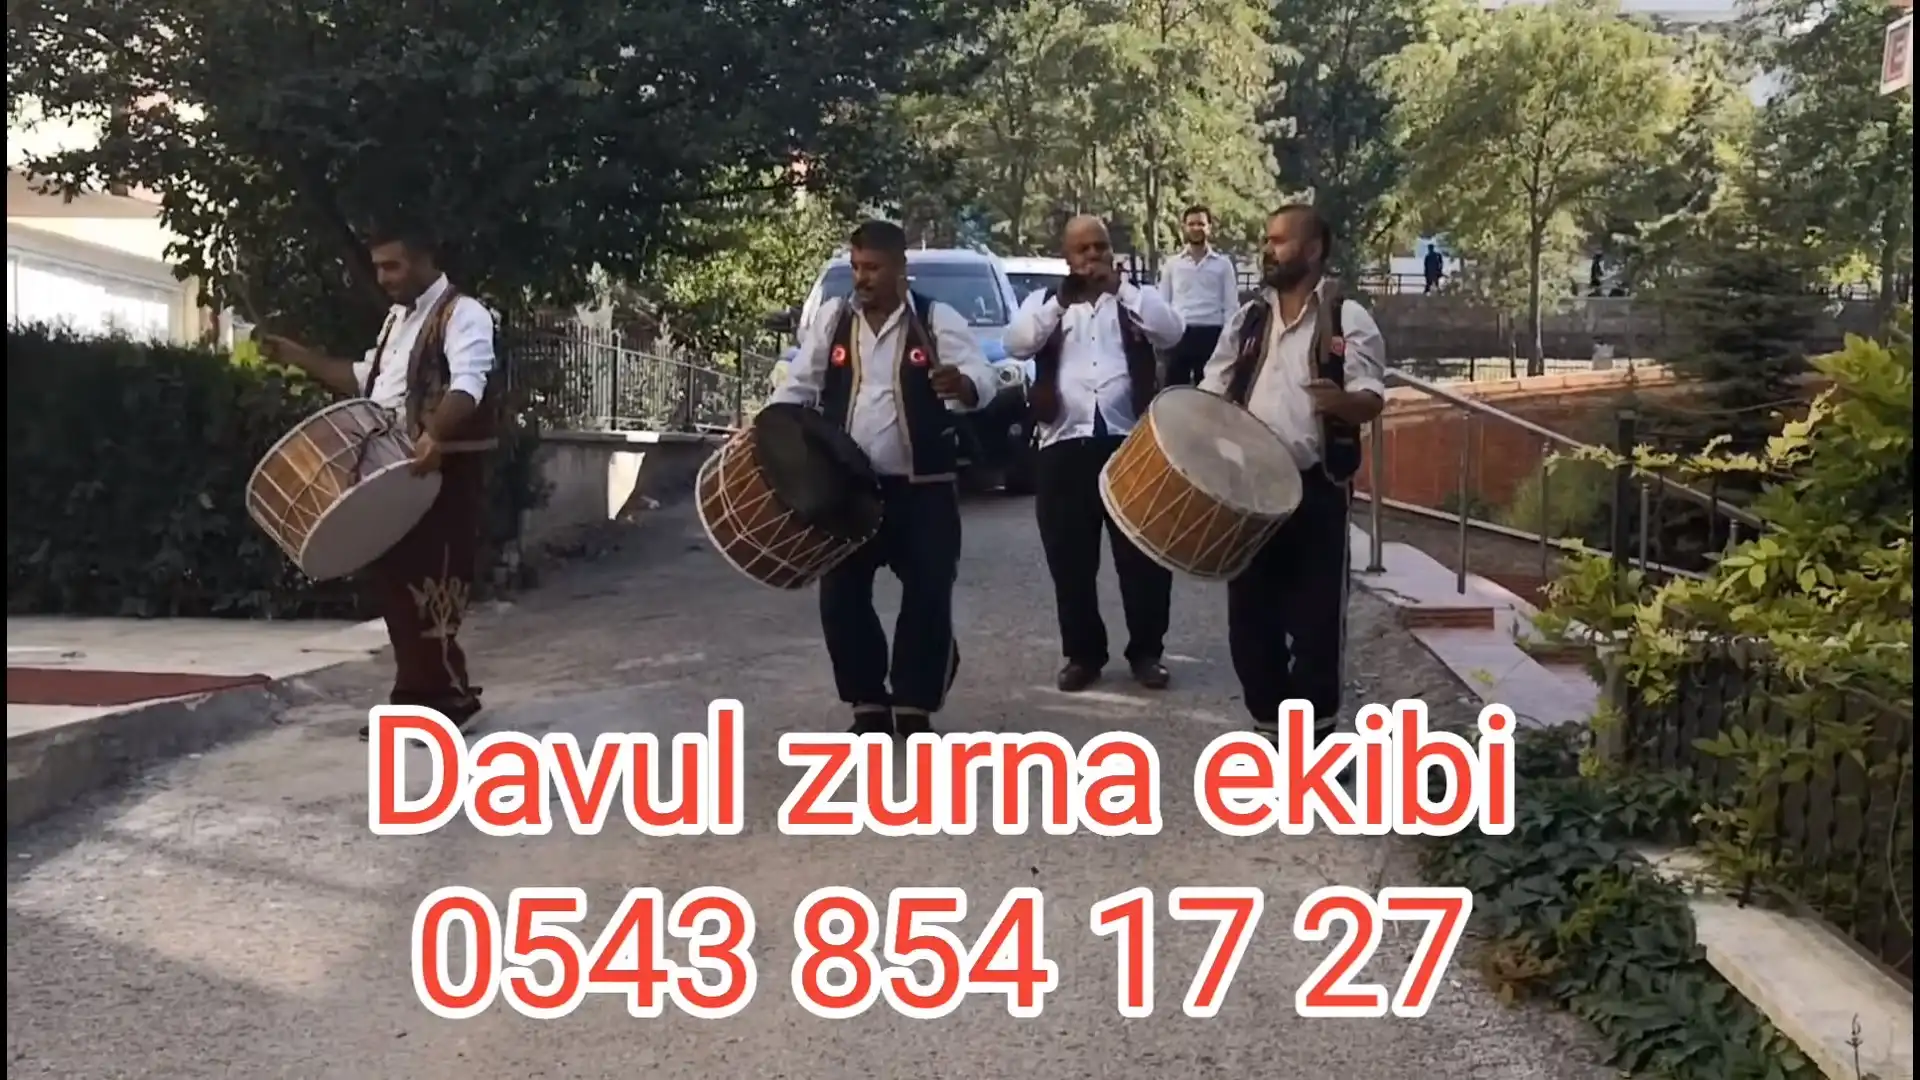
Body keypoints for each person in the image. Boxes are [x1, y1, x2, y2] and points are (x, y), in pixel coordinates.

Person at [259, 222, 499, 740]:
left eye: (393, 265)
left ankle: (444, 704)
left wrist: (435, 435)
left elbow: (468, 385)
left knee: (432, 587)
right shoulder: (397, 320)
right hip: (394, 468)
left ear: (424, 259)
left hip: (443, 470)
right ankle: (423, 701)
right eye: (379, 268)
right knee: (396, 588)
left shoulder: (464, 314)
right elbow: (365, 380)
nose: (384, 277)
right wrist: (299, 357)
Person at [769, 220, 1000, 738]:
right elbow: (799, 386)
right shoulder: (833, 320)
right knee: (842, 596)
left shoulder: (936, 319)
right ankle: (868, 704)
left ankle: (915, 705)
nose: (862, 278)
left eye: (872, 267)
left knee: (928, 593)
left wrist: (962, 384)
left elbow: (982, 378)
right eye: (856, 267)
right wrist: (766, 432)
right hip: (846, 490)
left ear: (900, 269)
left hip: (923, 486)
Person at [1199, 205, 1387, 745]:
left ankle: (1315, 747)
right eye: (1267, 239)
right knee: (1249, 624)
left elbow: (1371, 396)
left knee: (1316, 626)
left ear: (1313, 249)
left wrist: (1344, 403)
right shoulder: (1248, 319)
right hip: (1249, 493)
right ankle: (1269, 730)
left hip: (1316, 490)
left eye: (1279, 240)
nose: (1268, 249)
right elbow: (1214, 385)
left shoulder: (1347, 317)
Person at [1005, 215, 1185, 693]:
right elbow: (1016, 344)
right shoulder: (1044, 302)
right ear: (1066, 257)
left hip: (1130, 444)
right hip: (1063, 445)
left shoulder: (1135, 299)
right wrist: (1060, 303)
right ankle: (1083, 655)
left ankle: (1147, 652)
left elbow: (1173, 332)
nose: (1092, 257)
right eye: (1082, 250)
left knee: (1143, 557)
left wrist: (1121, 290)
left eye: (1099, 247)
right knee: (1070, 560)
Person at [1157, 205, 1239, 386]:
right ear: (1184, 227)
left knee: (1210, 390)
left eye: (1201, 224)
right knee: (1175, 391)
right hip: (1180, 333)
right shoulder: (1172, 264)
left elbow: (1231, 304)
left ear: (1209, 227)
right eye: (1191, 224)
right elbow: (1163, 303)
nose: (1196, 228)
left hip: (1212, 333)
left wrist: (1229, 339)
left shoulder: (1223, 264)